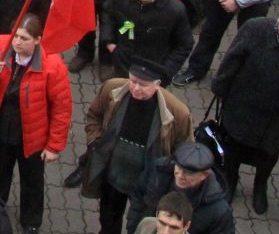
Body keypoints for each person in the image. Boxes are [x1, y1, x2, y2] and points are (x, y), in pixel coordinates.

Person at [209, 2, 279, 216]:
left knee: (267, 155)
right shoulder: (255, 28)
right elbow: (232, 58)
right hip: (242, 104)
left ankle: (260, 186)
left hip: (277, 117)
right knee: (233, 148)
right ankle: (230, 180)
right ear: (278, 23)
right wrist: (221, 86)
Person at [0, 15, 70, 232]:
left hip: (32, 136)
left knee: (32, 181)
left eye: (24, 38)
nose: (17, 42)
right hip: (0, 129)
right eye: (15, 35)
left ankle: (31, 222)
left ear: (37, 40)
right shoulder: (0, 46)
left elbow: (62, 108)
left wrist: (54, 146)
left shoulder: (52, 65)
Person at [73, 57, 192, 234]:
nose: (136, 88)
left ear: (157, 84)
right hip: (114, 173)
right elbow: (94, 115)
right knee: (108, 217)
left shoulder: (178, 113)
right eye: (133, 81)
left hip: (149, 180)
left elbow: (185, 151)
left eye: (143, 85)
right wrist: (95, 142)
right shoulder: (111, 89)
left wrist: (172, 174)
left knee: (139, 222)